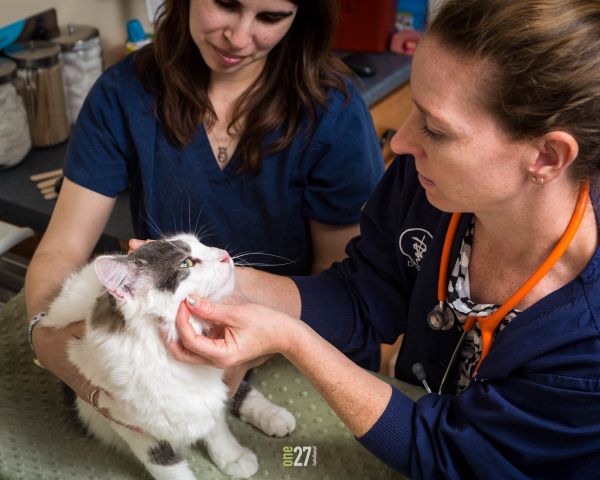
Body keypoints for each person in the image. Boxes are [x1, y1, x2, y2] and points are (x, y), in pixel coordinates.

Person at [165, 0, 600, 477]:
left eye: (436, 129)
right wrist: (236, 284)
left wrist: (294, 340)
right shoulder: (426, 182)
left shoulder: (585, 339)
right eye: (415, 108)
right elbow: (364, 294)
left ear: (547, 156)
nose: (402, 143)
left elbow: (449, 455)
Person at [24, 1, 383, 401]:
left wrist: (262, 341)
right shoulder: (122, 95)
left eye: (270, 17)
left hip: (298, 354)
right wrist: (46, 336)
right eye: (227, 4)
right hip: (176, 354)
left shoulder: (333, 107)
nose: (239, 38)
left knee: (293, 458)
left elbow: (338, 282)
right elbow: (61, 249)